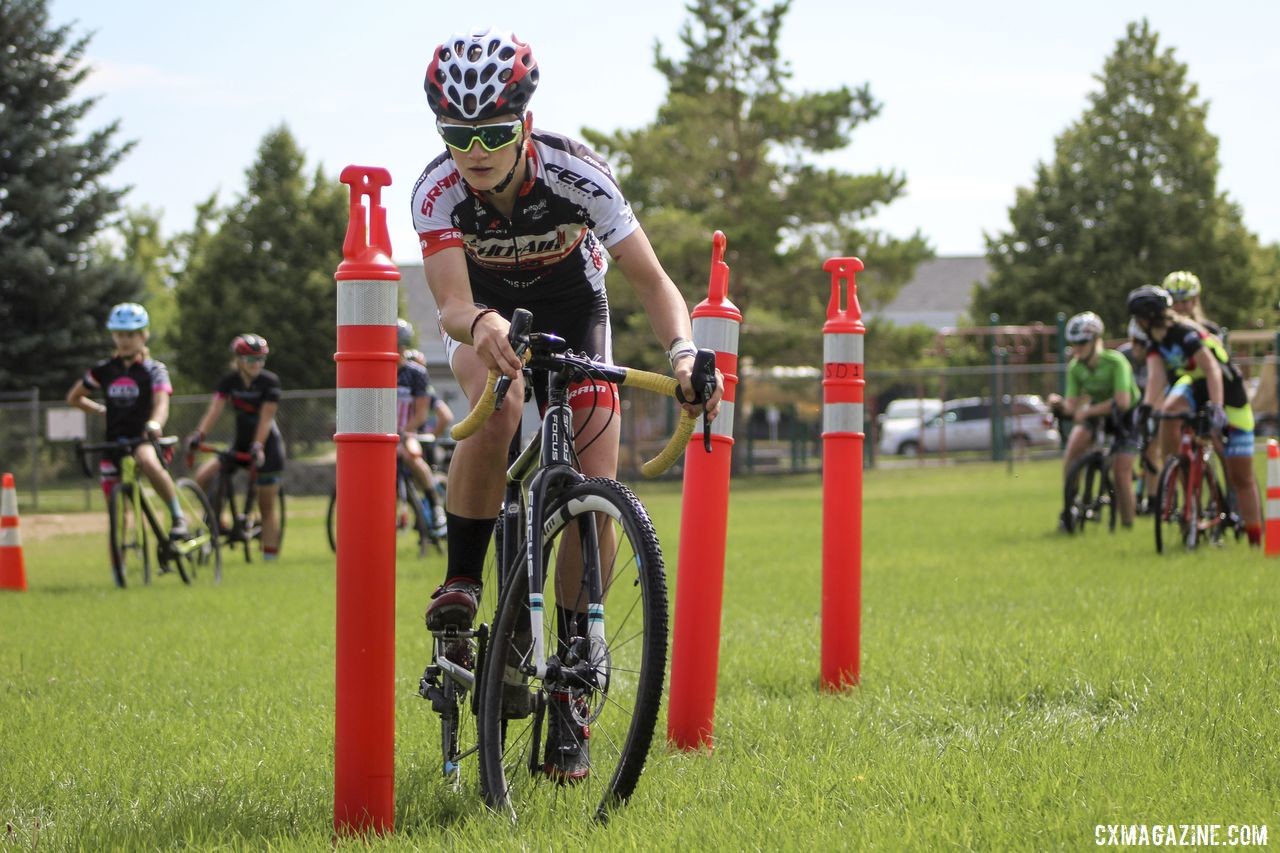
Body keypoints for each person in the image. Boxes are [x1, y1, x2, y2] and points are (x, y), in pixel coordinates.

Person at [411, 27, 723, 781]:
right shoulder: (436, 189)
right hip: (486, 319)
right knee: (501, 396)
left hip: (575, 307)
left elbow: (650, 281)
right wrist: (482, 325)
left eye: (489, 131)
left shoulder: (579, 174)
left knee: (593, 474)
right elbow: (451, 304)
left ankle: (579, 655)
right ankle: (461, 582)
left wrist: (682, 350)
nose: (473, 150)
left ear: (522, 122)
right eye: (457, 134)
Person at [1127, 285, 1261, 546]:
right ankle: (1178, 468)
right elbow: (1156, 377)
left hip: (1227, 390)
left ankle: (1256, 539)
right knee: (1168, 411)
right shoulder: (1155, 340)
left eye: (1136, 317)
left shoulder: (1184, 333)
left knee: (1241, 477)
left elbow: (1212, 369)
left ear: (1147, 317)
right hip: (1195, 386)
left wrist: (1217, 406)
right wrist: (1146, 407)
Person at [66, 303, 189, 540]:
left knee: (148, 462)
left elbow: (162, 402)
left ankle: (177, 517)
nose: (125, 341)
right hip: (113, 442)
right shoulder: (104, 370)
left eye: (131, 335)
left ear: (144, 335)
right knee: (115, 506)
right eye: (119, 334)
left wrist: (155, 424)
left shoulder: (153, 370)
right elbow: (74, 397)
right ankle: (119, 561)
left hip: (142, 437)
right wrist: (100, 410)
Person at [185, 334, 286, 560]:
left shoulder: (270, 382)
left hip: (266, 447)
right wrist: (199, 435)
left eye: (261, 360)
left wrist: (258, 445)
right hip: (240, 444)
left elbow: (266, 418)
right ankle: (219, 522)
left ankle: (270, 558)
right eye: (251, 360)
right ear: (239, 360)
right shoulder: (229, 381)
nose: (257, 365)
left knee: (266, 505)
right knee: (203, 477)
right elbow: (215, 410)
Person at [1047, 311, 1140, 529]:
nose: (1077, 348)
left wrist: (1087, 411)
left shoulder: (1115, 362)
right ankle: (1070, 504)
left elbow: (1123, 402)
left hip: (1125, 416)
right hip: (1098, 413)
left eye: (1082, 342)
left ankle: (1127, 524)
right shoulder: (1076, 367)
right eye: (1073, 343)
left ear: (1096, 340)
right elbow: (1071, 406)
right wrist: (1058, 404)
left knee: (1121, 471)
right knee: (1073, 448)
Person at [394, 319, 448, 535]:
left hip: (407, 432)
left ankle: (434, 503)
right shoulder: (378, 370)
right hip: (384, 434)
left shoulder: (415, 373)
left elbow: (422, 413)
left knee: (412, 457)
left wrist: (403, 432)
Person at [1161, 270, 1223, 337]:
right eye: (1174, 302)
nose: (1179, 306)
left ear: (1194, 300)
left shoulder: (1211, 330)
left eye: (1184, 301)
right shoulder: (1160, 330)